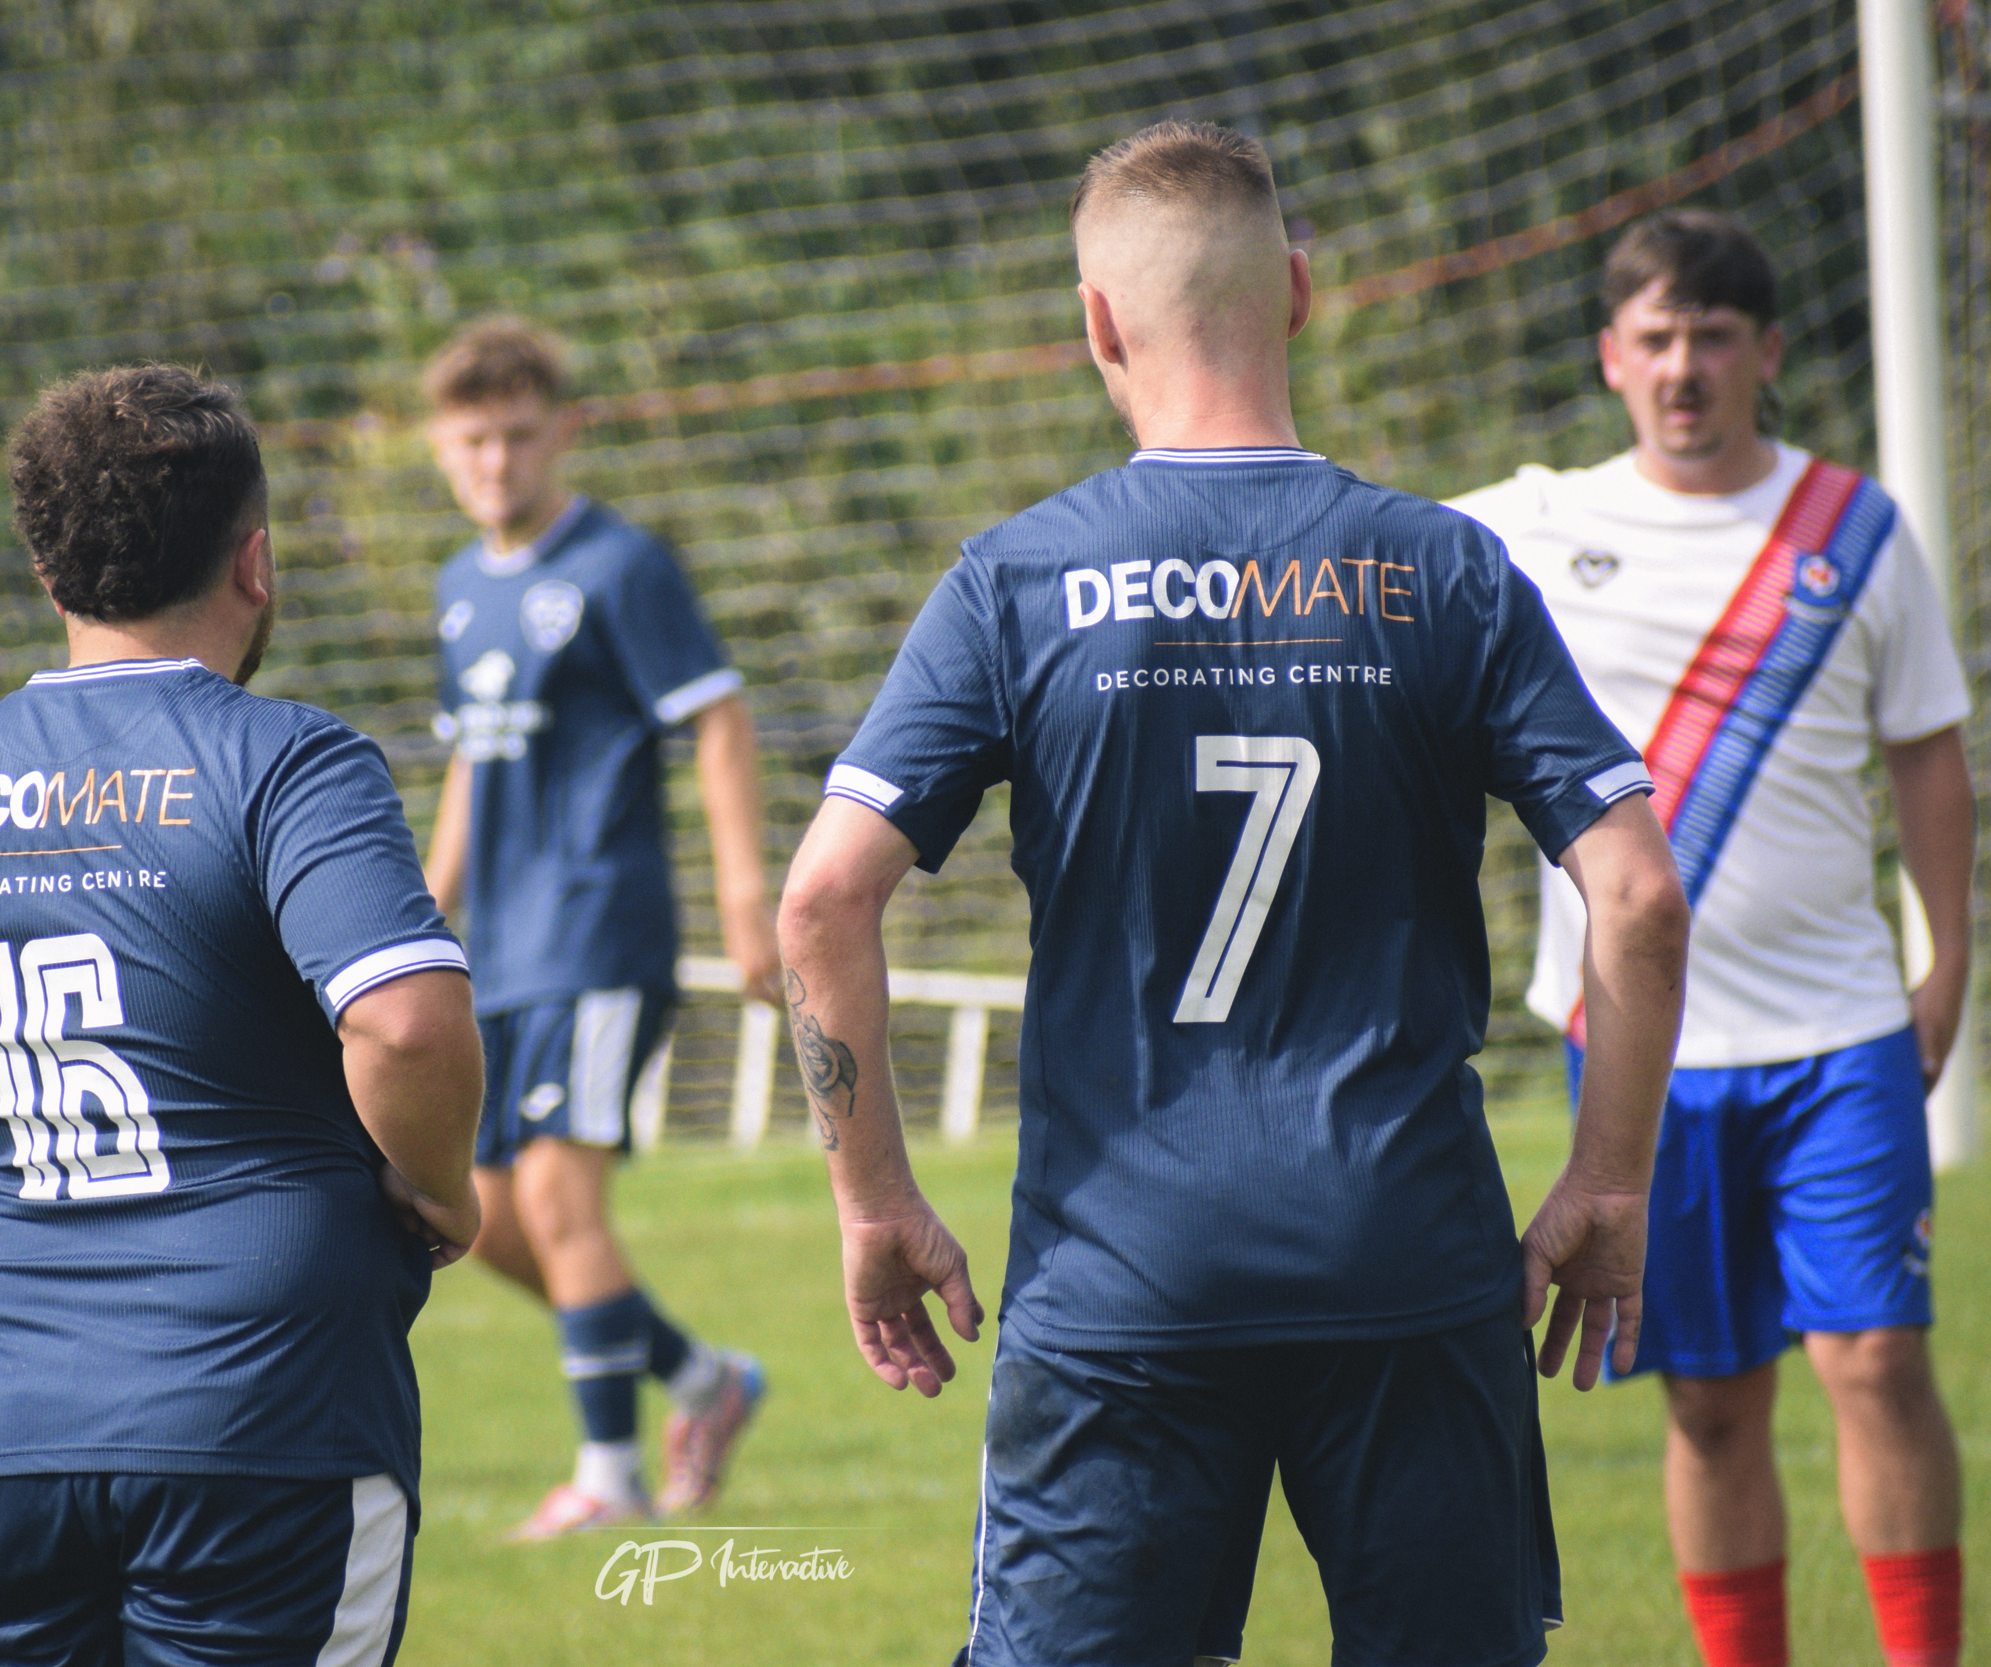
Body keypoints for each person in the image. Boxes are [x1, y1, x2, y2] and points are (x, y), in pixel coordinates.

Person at [776, 121, 1694, 1667]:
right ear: (1304, 293)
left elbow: (819, 904)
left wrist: (872, 1196)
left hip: (1122, 1272)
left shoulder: (1016, 579)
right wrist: (1609, 1179)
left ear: (1095, 322)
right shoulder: (1447, 571)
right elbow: (1643, 897)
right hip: (1406, 1254)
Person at [0, 365, 483, 1663]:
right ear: (257, 561)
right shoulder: (284, 757)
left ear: (48, 571)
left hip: (20, 1416)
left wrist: (6, 1178)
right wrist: (442, 1184)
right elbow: (404, 1024)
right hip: (265, 1400)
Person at [1449, 209, 1968, 1667]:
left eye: (1716, 337)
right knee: (1710, 1397)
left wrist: (1947, 964)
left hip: (1840, 1035)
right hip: (1641, 1058)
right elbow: (1359, 555)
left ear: (1768, 353)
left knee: (1876, 1361)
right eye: (1658, 338)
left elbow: (1928, 753)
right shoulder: (1527, 524)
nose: (1686, 367)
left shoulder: (1855, 529)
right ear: (1613, 357)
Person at [420, 318, 771, 1536]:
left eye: (520, 435)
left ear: (564, 432)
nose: (497, 462)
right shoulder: (459, 592)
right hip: (501, 951)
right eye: (473, 440)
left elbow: (718, 717)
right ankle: (701, 1378)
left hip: (599, 931)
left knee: (564, 1207)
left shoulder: (620, 566)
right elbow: (471, 760)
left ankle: (609, 1479)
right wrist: (423, 911)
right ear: (439, 448)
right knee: (480, 1214)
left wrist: (742, 893)